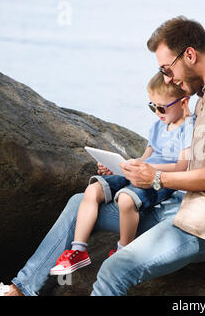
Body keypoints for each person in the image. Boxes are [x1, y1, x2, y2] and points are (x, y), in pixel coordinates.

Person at [0, 15, 205, 296]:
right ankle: (20, 290)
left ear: (189, 55)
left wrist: (157, 177)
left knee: (114, 270)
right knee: (80, 204)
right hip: (184, 205)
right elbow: (194, 166)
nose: (167, 79)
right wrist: (132, 173)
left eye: (166, 69)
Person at [49, 72, 195, 276]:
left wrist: (150, 170)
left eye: (162, 107)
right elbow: (146, 157)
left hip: (161, 181)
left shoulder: (189, 127)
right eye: (153, 106)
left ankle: (123, 251)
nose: (158, 113)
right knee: (93, 189)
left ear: (184, 102)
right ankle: (78, 251)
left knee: (126, 200)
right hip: (141, 173)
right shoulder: (157, 126)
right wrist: (125, 166)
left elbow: (182, 166)